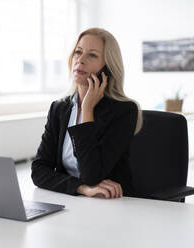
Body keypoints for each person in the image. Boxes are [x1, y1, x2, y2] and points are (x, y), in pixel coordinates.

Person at [31, 28, 143, 199]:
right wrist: (81, 188)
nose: (80, 60)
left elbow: (92, 175)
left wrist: (87, 109)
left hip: (113, 205)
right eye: (78, 52)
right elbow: (38, 171)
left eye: (92, 55)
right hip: (71, 201)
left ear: (108, 68)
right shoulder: (59, 108)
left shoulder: (124, 111)